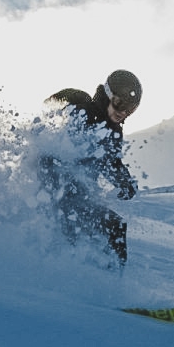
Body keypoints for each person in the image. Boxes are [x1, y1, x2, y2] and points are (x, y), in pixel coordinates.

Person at [38, 69, 142, 268]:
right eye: (120, 104)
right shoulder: (81, 110)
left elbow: (111, 162)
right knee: (104, 227)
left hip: (78, 194)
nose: (123, 112)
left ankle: (107, 283)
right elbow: (54, 140)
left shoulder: (113, 131)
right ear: (109, 95)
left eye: (130, 109)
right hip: (55, 187)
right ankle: (73, 277)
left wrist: (125, 182)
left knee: (114, 228)